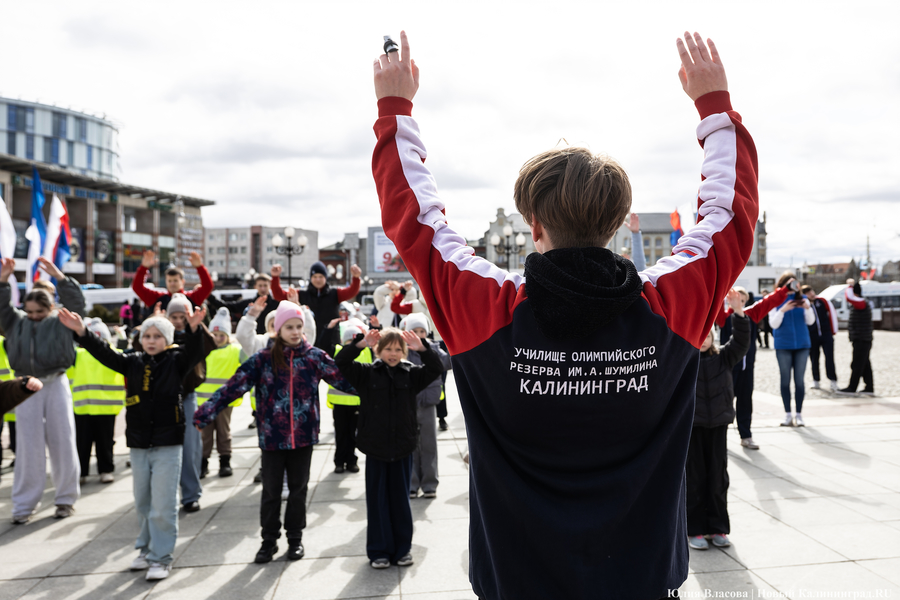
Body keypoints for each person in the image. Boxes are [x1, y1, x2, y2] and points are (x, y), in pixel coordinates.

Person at [371, 31, 757, 598]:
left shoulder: (485, 307)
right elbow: (730, 213)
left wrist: (395, 109)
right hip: (642, 579)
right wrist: (715, 107)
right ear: (618, 224)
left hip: (516, 580)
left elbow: (414, 215)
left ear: (533, 226)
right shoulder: (670, 305)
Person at [194, 301, 354, 564]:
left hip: (303, 437)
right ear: (277, 330)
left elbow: (345, 381)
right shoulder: (263, 359)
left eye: (298, 327)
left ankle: (295, 539)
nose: (294, 332)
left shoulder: (314, 357)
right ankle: (268, 541)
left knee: (298, 489)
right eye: (288, 327)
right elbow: (233, 387)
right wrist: (205, 412)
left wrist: (385, 387)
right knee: (270, 492)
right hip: (272, 438)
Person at [58, 305, 207, 581]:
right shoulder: (132, 361)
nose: (151, 341)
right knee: (143, 502)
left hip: (168, 443)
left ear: (168, 339)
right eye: (147, 336)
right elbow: (104, 353)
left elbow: (197, 352)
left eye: (157, 336)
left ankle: (161, 558)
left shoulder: (176, 361)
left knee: (163, 505)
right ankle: (146, 550)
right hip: (139, 444)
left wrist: (195, 329)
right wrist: (82, 332)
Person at [335, 327, 443, 568]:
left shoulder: (412, 374)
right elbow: (340, 361)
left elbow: (437, 368)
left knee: (401, 501)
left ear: (404, 351)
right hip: (375, 448)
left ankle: (403, 550)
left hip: (403, 447)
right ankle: (379, 551)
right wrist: (359, 344)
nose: (392, 354)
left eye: (397, 349)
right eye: (387, 349)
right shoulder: (366, 373)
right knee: (377, 501)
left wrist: (424, 348)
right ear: (378, 350)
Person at [0, 257, 85, 524]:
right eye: (30, 311)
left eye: (39, 311)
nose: (34, 316)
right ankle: (24, 506)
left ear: (49, 309)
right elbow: (2, 308)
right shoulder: (17, 323)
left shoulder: (60, 320)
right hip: (26, 385)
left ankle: (65, 500)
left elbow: (77, 304)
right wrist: (3, 280)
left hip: (56, 381)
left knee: (63, 440)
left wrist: (59, 276)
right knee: (27, 446)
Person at [687, 289, 750, 550]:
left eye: (708, 334)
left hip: (718, 426)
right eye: (698, 335)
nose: (703, 339)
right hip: (693, 428)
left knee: (718, 479)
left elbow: (741, 342)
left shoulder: (723, 357)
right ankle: (695, 530)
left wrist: (738, 311)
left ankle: (718, 528)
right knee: (695, 479)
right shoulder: (685, 360)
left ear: (713, 337)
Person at [715, 283, 791, 449]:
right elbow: (714, 301)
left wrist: (785, 289)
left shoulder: (752, 314)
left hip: (746, 369)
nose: (738, 303)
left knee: (745, 402)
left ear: (745, 302)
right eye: (734, 299)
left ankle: (746, 436)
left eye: (741, 300)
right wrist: (722, 291)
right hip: (727, 369)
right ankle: (719, 438)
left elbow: (768, 302)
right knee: (723, 403)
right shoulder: (724, 317)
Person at [164, 294, 215, 512]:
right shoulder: (160, 335)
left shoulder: (195, 334)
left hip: (188, 396)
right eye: (173, 317)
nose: (177, 321)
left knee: (191, 448)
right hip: (163, 399)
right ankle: (164, 495)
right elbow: (140, 345)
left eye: (181, 317)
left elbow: (210, 345)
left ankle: (191, 494)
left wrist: (197, 326)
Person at [68, 318, 125, 485]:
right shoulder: (110, 352)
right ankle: (105, 471)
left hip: (84, 406)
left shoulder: (77, 354)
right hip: (101, 406)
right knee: (105, 442)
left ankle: (82, 473)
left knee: (82, 443)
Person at [400, 314, 451, 499]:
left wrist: (427, 349)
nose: (419, 335)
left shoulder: (434, 348)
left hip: (429, 404)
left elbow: (447, 363)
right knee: (411, 445)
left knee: (429, 445)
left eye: (422, 331)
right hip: (409, 405)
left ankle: (430, 484)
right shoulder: (403, 350)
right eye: (414, 331)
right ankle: (412, 483)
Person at [389, 281, 451, 430]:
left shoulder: (443, 302)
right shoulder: (415, 304)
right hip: (413, 345)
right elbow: (395, 307)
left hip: (437, 343)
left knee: (439, 383)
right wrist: (403, 291)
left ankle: (441, 417)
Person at [196, 308, 245, 478]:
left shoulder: (234, 350)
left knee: (224, 432)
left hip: (224, 401)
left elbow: (247, 355)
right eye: (215, 335)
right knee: (205, 434)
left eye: (221, 335)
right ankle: (203, 463)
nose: (217, 339)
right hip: (203, 401)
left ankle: (225, 461)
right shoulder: (203, 350)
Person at [272, 262, 361, 355]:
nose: (318, 279)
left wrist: (356, 278)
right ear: (311, 278)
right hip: (309, 338)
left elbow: (351, 291)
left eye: (321, 276)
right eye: (315, 277)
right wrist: (275, 277)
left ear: (325, 278)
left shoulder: (334, 293)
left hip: (331, 339)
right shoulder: (302, 295)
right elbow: (279, 295)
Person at [768, 272, 815, 427]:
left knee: (799, 381)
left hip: (802, 344)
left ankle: (799, 414)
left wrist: (808, 308)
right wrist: (783, 310)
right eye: (789, 283)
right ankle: (788, 414)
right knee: (785, 380)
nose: (793, 286)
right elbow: (773, 325)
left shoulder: (802, 299)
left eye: (795, 283)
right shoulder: (775, 300)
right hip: (783, 345)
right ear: (783, 284)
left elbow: (811, 321)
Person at [326, 320, 369, 474]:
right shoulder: (337, 350)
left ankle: (351, 461)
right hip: (339, 402)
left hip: (357, 402)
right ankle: (339, 462)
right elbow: (324, 345)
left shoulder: (365, 351)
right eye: (349, 341)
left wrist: (375, 329)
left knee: (353, 435)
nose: (352, 344)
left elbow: (378, 347)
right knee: (340, 434)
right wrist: (329, 329)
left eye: (355, 341)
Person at [131, 250, 214, 312]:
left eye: (175, 280)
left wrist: (200, 267)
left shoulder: (192, 297)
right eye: (169, 281)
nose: (172, 283)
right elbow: (137, 287)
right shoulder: (157, 298)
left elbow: (208, 286)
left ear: (182, 281)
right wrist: (144, 267)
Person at [207, 270, 280, 334]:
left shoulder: (276, 304)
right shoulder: (248, 303)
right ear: (255, 286)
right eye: (260, 285)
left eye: (265, 285)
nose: (262, 288)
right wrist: (207, 294)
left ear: (270, 286)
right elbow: (226, 306)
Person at [838, 281, 874, 396]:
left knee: (857, 364)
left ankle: (852, 388)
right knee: (865, 364)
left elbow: (848, 297)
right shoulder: (860, 303)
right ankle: (869, 387)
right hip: (861, 339)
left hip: (862, 339)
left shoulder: (861, 302)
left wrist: (850, 286)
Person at [802, 285, 839, 392]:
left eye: (812, 291)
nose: (811, 294)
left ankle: (833, 380)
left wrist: (832, 331)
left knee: (829, 358)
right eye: (808, 293)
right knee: (814, 358)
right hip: (812, 336)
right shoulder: (804, 305)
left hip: (826, 334)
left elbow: (831, 314)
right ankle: (816, 380)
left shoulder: (822, 302)